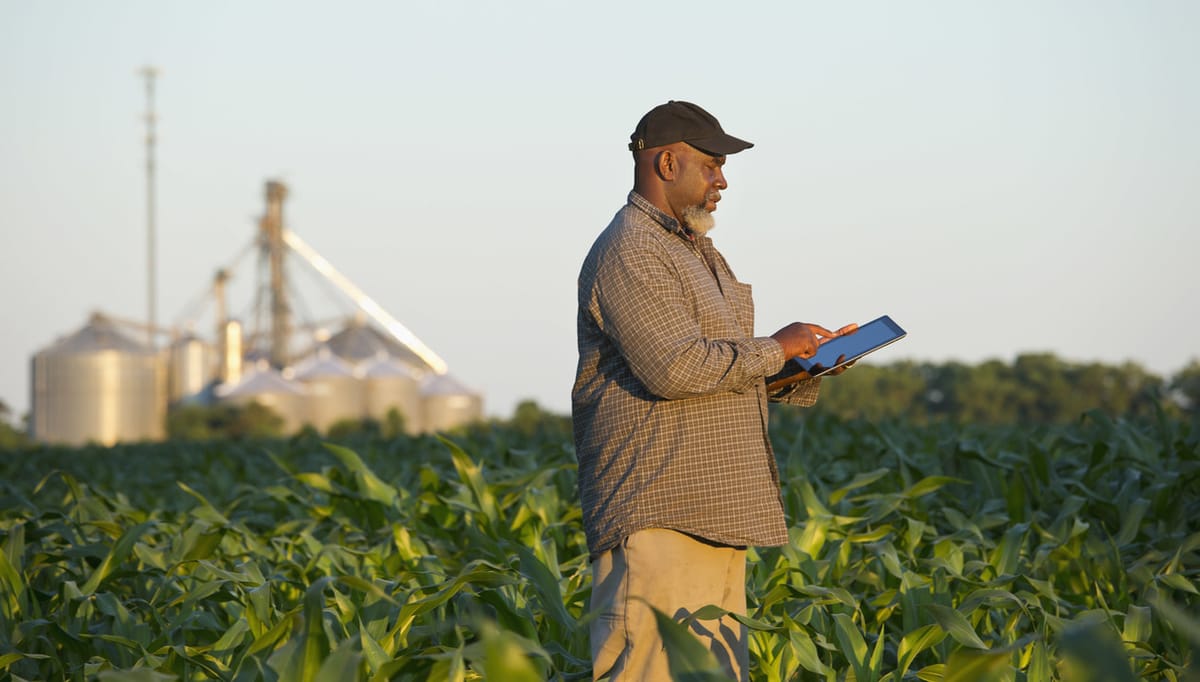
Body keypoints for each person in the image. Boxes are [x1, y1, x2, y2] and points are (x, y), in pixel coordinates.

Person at [571, 100, 856, 681]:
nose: (722, 180)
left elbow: (718, 372)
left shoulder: (695, 251)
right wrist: (777, 346)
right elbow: (674, 369)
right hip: (660, 511)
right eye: (712, 164)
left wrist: (803, 366)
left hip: (715, 510)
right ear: (668, 163)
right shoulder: (633, 248)